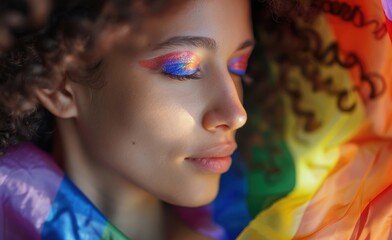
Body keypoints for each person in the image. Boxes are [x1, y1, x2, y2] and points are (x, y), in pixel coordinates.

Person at [0, 0, 254, 239]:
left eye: (238, 66)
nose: (236, 114)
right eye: (183, 69)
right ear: (59, 87)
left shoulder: (269, 221)